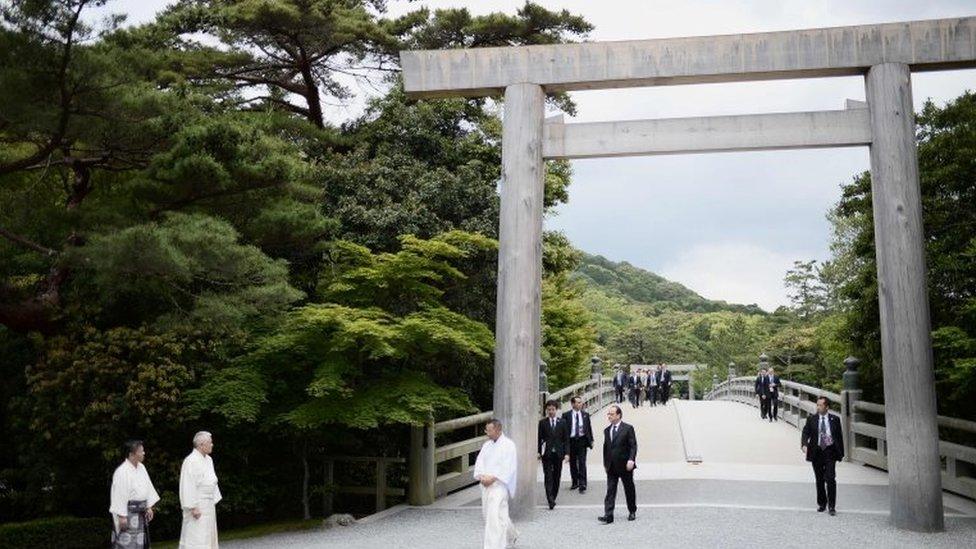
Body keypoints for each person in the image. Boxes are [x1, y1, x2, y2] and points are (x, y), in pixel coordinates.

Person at [474, 419, 519, 549]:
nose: (487, 433)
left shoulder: (509, 445)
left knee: (493, 516)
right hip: (485, 484)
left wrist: (493, 478)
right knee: (491, 514)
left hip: (499, 485)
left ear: (498, 430)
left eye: (489, 430)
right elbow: (480, 462)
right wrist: (481, 476)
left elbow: (508, 466)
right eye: (486, 430)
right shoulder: (486, 445)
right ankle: (512, 534)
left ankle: (493, 546)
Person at [110, 440, 160, 549]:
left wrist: (148, 506)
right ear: (132, 454)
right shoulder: (122, 471)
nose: (144, 453)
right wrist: (122, 516)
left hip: (141, 513)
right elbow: (119, 494)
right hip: (128, 513)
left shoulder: (142, 467)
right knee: (126, 543)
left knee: (141, 544)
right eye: (141, 451)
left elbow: (147, 487)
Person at [801, 397, 844, 515]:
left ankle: (832, 506)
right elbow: (805, 432)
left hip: (830, 451)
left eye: (820, 405)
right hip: (817, 451)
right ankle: (822, 503)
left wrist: (841, 453)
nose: (818, 407)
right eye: (817, 405)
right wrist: (804, 445)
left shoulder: (835, 419)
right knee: (819, 479)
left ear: (827, 407)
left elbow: (839, 437)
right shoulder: (812, 419)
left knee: (830, 478)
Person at [179, 431, 222, 549]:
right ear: (201, 445)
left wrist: (213, 498)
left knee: (209, 536)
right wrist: (193, 506)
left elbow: (212, 480)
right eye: (210, 442)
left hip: (208, 503)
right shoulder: (190, 461)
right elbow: (187, 484)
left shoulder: (209, 460)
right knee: (197, 536)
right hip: (197, 504)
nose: (212, 444)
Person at [598, 405, 638, 524]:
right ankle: (608, 515)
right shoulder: (607, 430)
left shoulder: (628, 428)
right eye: (608, 414)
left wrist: (631, 459)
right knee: (610, 490)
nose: (609, 416)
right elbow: (606, 448)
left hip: (625, 464)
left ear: (618, 415)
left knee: (629, 488)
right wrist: (605, 463)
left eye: (611, 414)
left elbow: (633, 446)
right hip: (611, 465)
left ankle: (632, 510)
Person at [538, 400, 569, 509]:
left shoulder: (563, 422)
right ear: (546, 410)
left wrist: (567, 453)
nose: (551, 412)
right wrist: (538, 452)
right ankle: (550, 499)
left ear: (556, 410)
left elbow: (566, 439)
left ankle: (553, 495)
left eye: (553, 409)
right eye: (549, 410)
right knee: (548, 476)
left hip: (559, 453)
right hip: (546, 453)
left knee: (557, 476)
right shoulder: (542, 423)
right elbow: (539, 439)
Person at [562, 396, 593, 493]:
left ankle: (583, 483)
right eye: (578, 402)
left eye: (581, 402)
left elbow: (588, 428)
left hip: (582, 440)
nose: (580, 404)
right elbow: (563, 431)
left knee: (582, 462)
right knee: (573, 463)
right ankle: (575, 482)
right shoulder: (566, 415)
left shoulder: (585, 415)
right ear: (572, 404)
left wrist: (591, 439)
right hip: (571, 441)